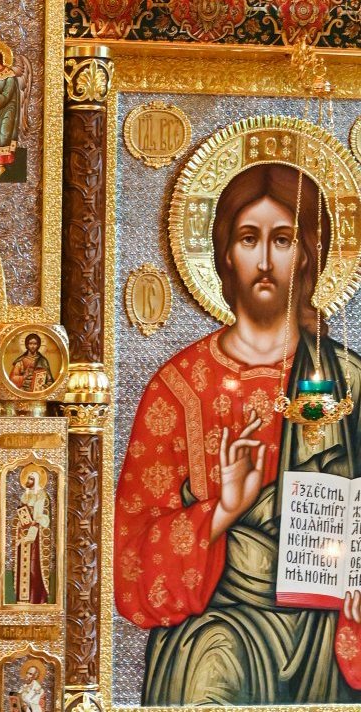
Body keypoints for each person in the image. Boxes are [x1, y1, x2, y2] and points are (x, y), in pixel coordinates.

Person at [114, 163, 361, 704]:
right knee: (211, 662)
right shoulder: (177, 390)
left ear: (310, 255)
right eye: (250, 239)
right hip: (214, 627)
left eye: (284, 239)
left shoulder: (350, 384)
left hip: (327, 630)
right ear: (225, 252)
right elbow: (128, 568)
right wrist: (223, 510)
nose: (267, 261)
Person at [14, 472, 48, 604]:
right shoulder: (25, 495)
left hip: (35, 534)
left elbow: (43, 516)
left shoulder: (41, 495)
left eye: (31, 478)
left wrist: (35, 521)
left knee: (34, 565)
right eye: (28, 478)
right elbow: (21, 513)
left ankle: (36, 598)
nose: (29, 481)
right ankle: (23, 598)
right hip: (23, 531)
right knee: (23, 565)